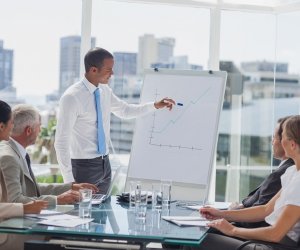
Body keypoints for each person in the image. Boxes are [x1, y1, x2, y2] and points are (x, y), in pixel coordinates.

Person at [55, 47, 175, 193]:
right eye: (108, 70)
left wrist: (155, 105)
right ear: (93, 70)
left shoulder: (105, 91)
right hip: (83, 167)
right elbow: (61, 141)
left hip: (105, 164)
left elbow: (125, 110)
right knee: (81, 213)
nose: (112, 74)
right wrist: (69, 182)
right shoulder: (71, 98)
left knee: (102, 212)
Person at [197, 115, 300, 250]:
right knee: (203, 234)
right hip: (270, 238)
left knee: (203, 239)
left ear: (292, 144)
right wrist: (220, 213)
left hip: (277, 245)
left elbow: (276, 234)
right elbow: (265, 210)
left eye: (284, 136)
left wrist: (232, 230)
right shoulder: (292, 172)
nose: (279, 142)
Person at [0, 104, 98, 207]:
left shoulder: (15, 150)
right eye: (39, 126)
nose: (40, 131)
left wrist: (71, 187)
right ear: (29, 130)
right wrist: (57, 200)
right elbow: (14, 201)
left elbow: (33, 189)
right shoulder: (9, 157)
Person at [0, 100, 48, 250]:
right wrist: (25, 209)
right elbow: (14, 199)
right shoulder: (7, 155)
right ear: (2, 126)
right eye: (11, 123)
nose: (13, 127)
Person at [232, 116, 294, 228]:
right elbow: (265, 209)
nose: (272, 142)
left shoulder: (287, 174)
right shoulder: (291, 172)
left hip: (258, 235)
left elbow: (263, 217)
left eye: (275, 137)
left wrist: (230, 221)